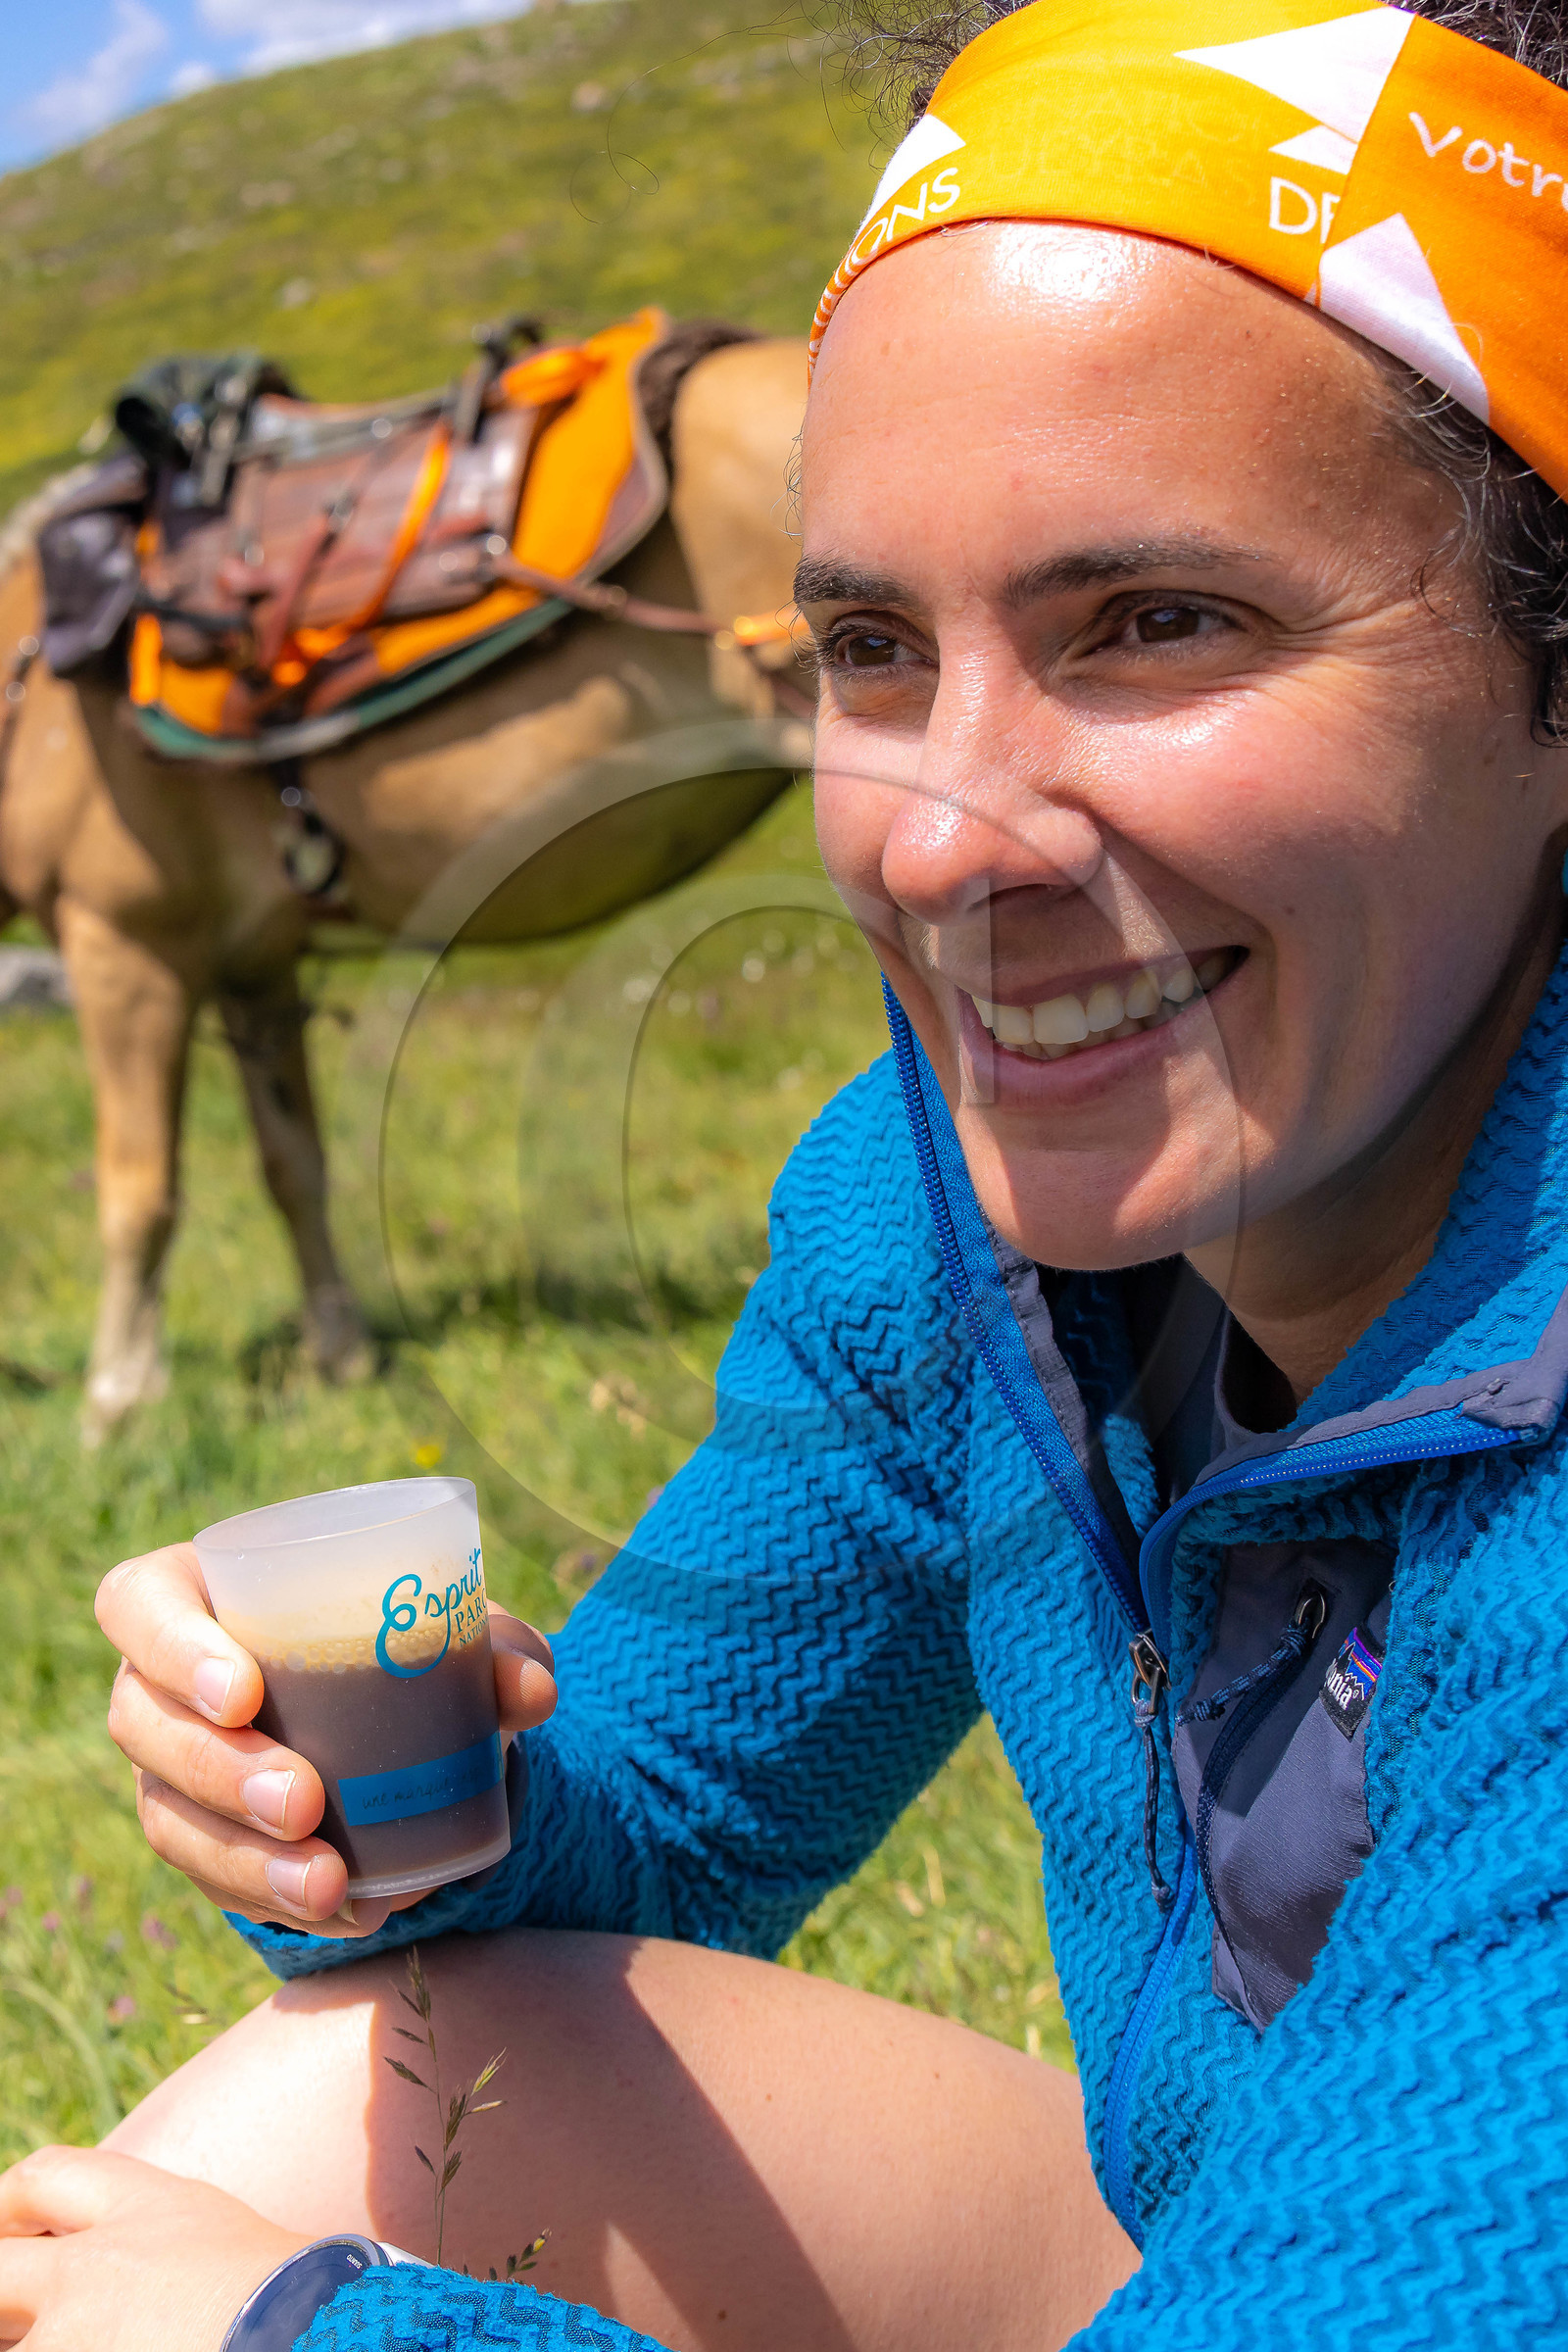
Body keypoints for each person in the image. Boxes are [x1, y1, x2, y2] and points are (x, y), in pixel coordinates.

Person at [9, 0, 1568, 2342]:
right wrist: (372, 1796)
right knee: (361, 2078)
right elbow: (662, 1826)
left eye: (1153, 624)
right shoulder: (935, 1225)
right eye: (865, 644)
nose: (933, 841)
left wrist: (304, 2331)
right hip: (1237, 2215)